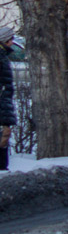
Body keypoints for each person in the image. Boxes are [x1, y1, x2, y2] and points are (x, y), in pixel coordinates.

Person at [0, 27, 16, 170]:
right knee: (3, 136)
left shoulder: (3, 56)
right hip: (2, 103)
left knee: (4, 135)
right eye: (11, 40)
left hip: (4, 103)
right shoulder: (1, 57)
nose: (12, 43)